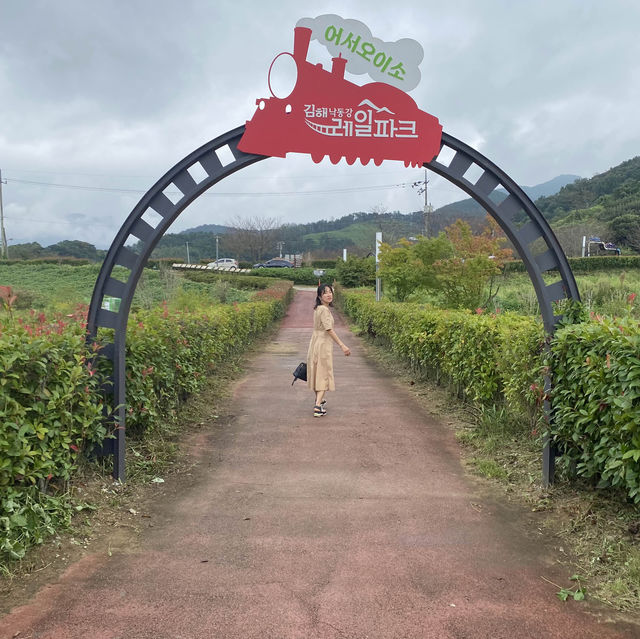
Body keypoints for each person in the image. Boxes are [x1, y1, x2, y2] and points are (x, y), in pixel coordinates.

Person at [306, 283, 350, 417]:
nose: (329, 294)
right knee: (324, 374)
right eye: (325, 292)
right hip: (323, 345)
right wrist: (342, 345)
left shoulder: (318, 308)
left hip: (315, 343)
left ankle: (319, 400)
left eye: (330, 292)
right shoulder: (324, 310)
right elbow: (329, 329)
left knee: (317, 373)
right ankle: (318, 406)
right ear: (320, 296)